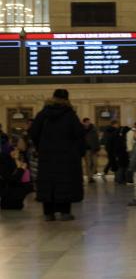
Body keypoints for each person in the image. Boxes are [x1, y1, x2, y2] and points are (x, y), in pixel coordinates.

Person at [29, 89, 85, 221]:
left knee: (47, 182)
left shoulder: (43, 114)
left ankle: (48, 213)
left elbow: (33, 132)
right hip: (67, 157)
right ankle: (65, 212)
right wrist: (78, 152)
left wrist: (40, 147)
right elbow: (79, 135)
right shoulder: (70, 115)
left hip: (47, 155)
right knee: (65, 183)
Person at [0, 137, 33, 210]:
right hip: (9, 198)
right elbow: (11, 179)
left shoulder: (22, 157)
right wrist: (21, 169)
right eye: (21, 143)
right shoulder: (5, 161)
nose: (24, 145)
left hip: (19, 197)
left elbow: (26, 178)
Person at [81, 118, 100, 183]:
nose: (88, 123)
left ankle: (91, 175)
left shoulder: (94, 129)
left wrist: (97, 147)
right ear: (83, 123)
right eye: (86, 122)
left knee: (95, 163)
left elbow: (97, 139)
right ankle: (90, 178)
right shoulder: (81, 130)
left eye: (88, 122)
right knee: (88, 164)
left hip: (94, 149)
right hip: (86, 149)